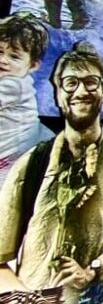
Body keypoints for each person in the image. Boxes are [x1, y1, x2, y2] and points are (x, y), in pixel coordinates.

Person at [0, 43, 103, 304]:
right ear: (57, 94)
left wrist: (94, 269)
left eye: (91, 82)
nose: (81, 91)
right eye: (70, 83)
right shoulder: (31, 165)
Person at [0, 14, 48, 183]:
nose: (3, 60)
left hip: (9, 165)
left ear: (33, 65)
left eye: (14, 56)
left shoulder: (14, 85)